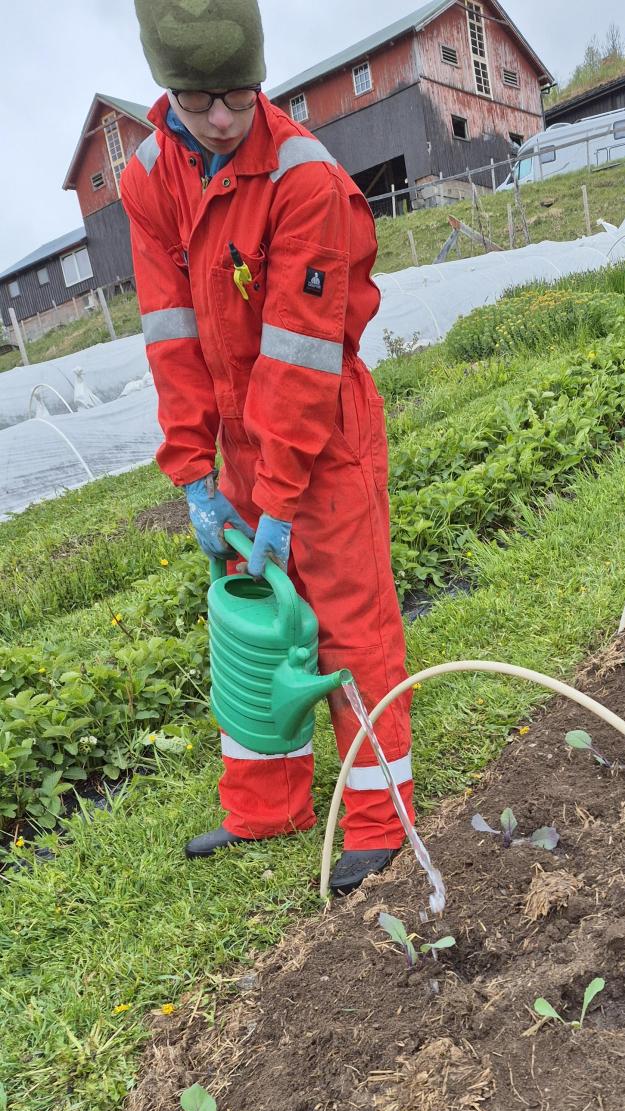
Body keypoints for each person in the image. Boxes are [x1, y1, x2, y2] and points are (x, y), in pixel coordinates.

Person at [123, 0, 413, 895]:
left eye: (239, 95)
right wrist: (193, 471)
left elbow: (301, 354)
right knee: (250, 623)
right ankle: (264, 806)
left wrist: (281, 493)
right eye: (200, 99)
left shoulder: (303, 177)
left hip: (321, 431)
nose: (222, 118)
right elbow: (170, 333)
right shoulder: (148, 178)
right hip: (237, 440)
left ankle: (379, 819)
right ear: (166, 94)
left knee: (349, 623)